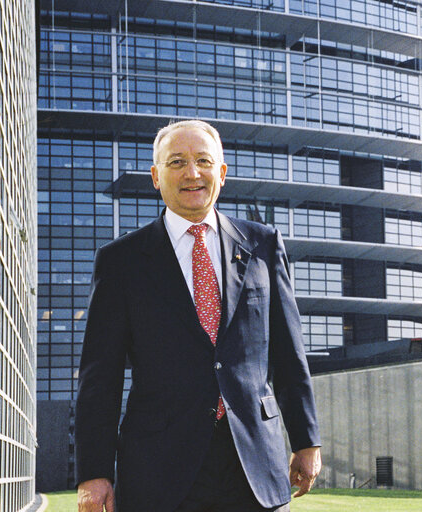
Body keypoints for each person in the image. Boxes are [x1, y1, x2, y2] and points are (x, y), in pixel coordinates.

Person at [74, 120, 321, 512]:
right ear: (156, 177)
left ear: (221, 174)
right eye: (176, 162)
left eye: (203, 160)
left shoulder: (264, 245)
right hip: (159, 472)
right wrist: (93, 472)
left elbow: (290, 355)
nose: (192, 173)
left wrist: (307, 439)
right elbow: (99, 377)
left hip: (255, 465)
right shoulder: (120, 262)